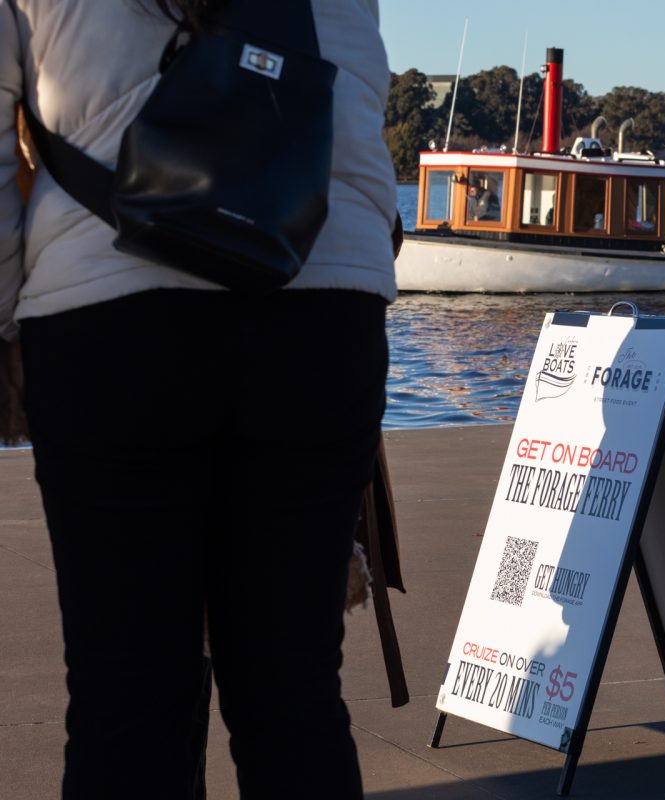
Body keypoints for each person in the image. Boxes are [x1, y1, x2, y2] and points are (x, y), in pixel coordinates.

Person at [0, 1, 397, 798]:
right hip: (319, 303)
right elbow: (358, 97)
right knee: (295, 695)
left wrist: (7, 321)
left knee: (127, 700)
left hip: (110, 313)